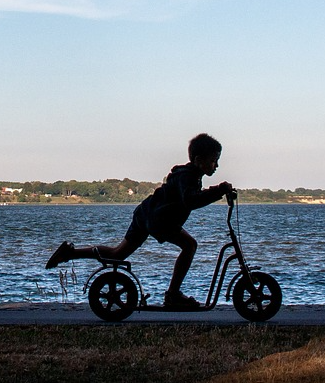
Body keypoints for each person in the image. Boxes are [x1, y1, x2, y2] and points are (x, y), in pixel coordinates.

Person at [45, 132, 232, 309]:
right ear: (199, 160)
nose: (216, 166)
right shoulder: (187, 176)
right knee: (189, 245)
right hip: (158, 219)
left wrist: (217, 191)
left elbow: (191, 197)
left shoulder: (189, 174)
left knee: (117, 254)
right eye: (213, 161)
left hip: (146, 213)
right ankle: (173, 294)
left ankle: (70, 254)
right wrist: (218, 192)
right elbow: (191, 200)